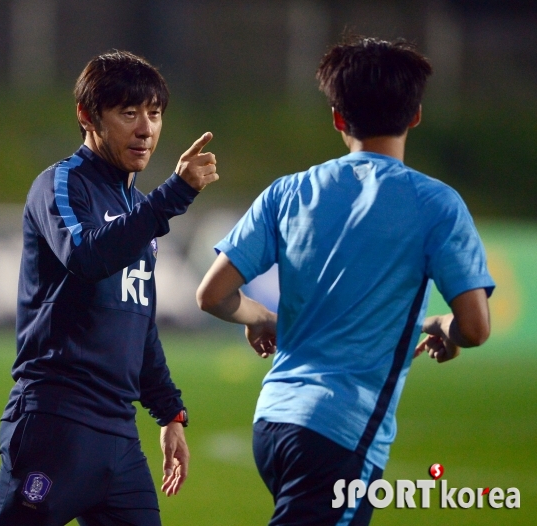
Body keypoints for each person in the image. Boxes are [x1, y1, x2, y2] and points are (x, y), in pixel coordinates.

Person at [196, 35, 494, 526]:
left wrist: (265, 318)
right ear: (416, 114)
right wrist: (448, 329)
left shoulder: (289, 191)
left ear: (337, 117)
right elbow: (477, 327)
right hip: (339, 434)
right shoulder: (436, 204)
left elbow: (213, 295)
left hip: (273, 421)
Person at [0, 50, 218, 526]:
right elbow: (86, 256)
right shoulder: (61, 184)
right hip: (55, 424)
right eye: (128, 112)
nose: (145, 129)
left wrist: (169, 411)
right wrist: (173, 195)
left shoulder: (134, 208)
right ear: (87, 116)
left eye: (153, 114)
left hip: (119, 439)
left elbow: (139, 320)